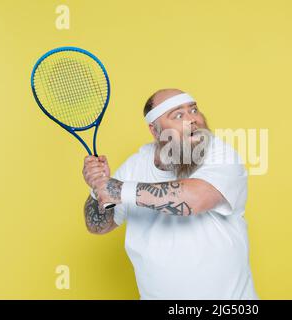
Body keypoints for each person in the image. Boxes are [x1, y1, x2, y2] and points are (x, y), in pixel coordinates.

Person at [82, 88, 259, 300]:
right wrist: (97, 189)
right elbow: (98, 226)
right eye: (178, 115)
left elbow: (196, 198)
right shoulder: (136, 164)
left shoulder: (220, 154)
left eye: (194, 110)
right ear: (155, 131)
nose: (192, 119)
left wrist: (116, 189)